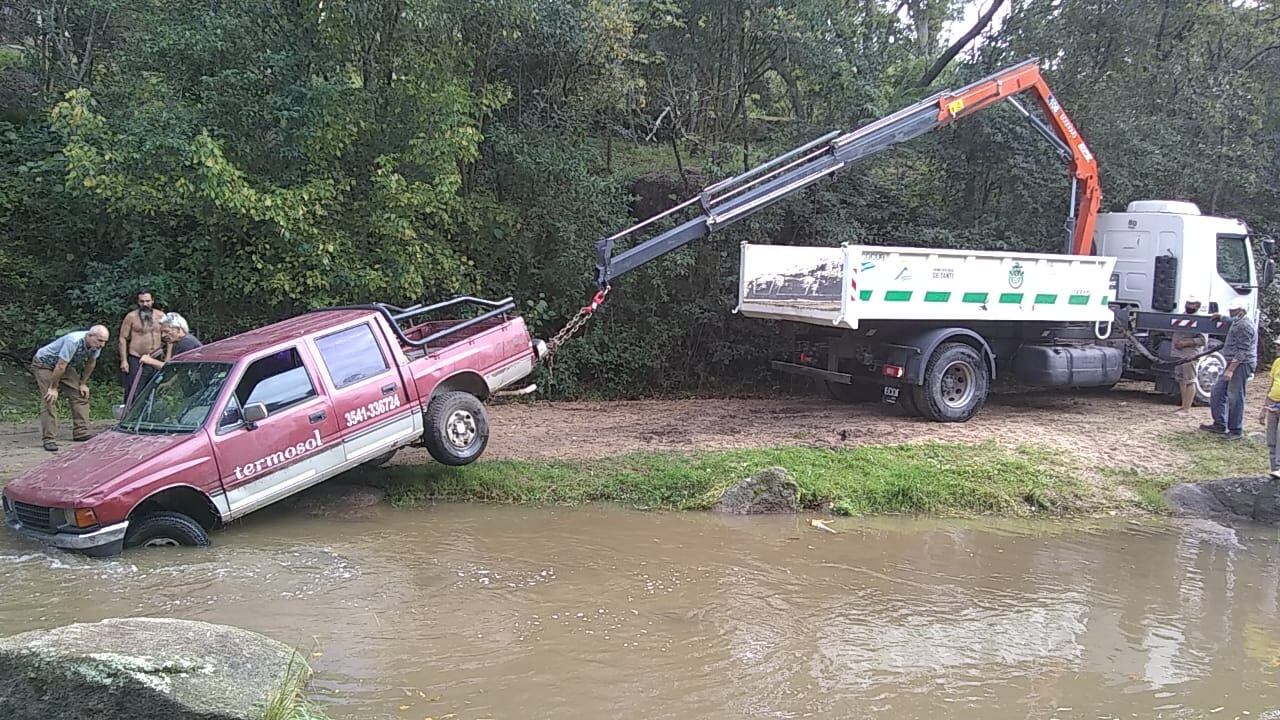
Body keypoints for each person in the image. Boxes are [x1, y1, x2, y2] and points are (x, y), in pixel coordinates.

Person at [30, 325, 110, 451]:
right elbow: (60, 365)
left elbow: (91, 362)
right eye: (100, 341)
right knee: (49, 398)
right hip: (44, 364)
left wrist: (83, 383)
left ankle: (81, 432)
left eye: (105, 341)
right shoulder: (73, 341)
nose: (102, 345)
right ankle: (49, 439)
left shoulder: (95, 345)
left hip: (63, 366)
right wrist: (53, 387)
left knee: (80, 394)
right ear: (90, 336)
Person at [1201, 297, 1257, 439]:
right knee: (1218, 391)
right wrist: (1222, 317)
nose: (1231, 312)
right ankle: (1220, 423)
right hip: (1233, 362)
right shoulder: (1239, 321)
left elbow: (1242, 351)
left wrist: (1231, 369)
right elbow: (1232, 321)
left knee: (1235, 396)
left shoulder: (1245, 326)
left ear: (1241, 310)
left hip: (1241, 364)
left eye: (1234, 310)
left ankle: (1235, 430)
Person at [132, 313, 202, 402]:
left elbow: (169, 368)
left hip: (198, 392)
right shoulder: (186, 341)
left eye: (166, 331)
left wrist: (149, 361)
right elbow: (183, 368)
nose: (163, 336)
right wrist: (170, 383)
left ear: (177, 329)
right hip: (196, 391)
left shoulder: (185, 344)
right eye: (162, 332)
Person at [118, 290, 165, 399]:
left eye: (148, 301)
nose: (145, 304)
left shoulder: (161, 316)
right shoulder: (131, 317)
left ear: (152, 301)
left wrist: (167, 358)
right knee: (134, 390)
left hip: (155, 356)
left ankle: (151, 414)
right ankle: (131, 413)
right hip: (137, 358)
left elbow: (169, 337)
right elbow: (123, 338)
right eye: (142, 301)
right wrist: (124, 360)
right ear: (138, 302)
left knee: (155, 389)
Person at [1172, 296, 1207, 412]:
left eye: (1193, 304)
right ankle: (1183, 405)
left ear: (1198, 306)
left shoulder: (1201, 320)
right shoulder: (1180, 317)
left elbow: (1202, 340)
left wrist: (1187, 343)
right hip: (1178, 353)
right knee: (1181, 379)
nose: (1190, 306)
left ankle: (1187, 407)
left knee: (1190, 380)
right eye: (1189, 303)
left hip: (1190, 354)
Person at [1259, 336, 1280, 480]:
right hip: (1273, 402)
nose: (1277, 348)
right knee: (1271, 439)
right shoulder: (1277, 362)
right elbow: (1271, 385)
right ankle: (1274, 469)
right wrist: (1264, 408)